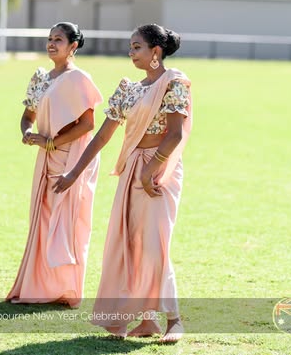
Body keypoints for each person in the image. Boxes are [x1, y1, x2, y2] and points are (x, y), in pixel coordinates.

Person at [53, 24, 192, 343]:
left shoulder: (174, 83)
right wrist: (74, 173)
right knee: (130, 243)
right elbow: (103, 135)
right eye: (130, 47)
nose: (131, 52)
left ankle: (174, 320)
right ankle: (146, 320)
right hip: (132, 169)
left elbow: (175, 134)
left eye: (137, 47)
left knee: (156, 243)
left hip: (160, 170)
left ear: (156, 51)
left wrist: (150, 170)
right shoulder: (129, 89)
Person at [7, 22, 103, 308]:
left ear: (73, 46)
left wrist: (51, 141)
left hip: (71, 157)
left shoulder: (78, 79)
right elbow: (28, 116)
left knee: (68, 222)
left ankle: (66, 289)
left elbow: (88, 124)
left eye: (58, 39)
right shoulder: (40, 77)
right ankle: (40, 286)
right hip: (46, 157)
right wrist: (27, 132)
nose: (51, 43)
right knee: (43, 220)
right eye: (49, 38)